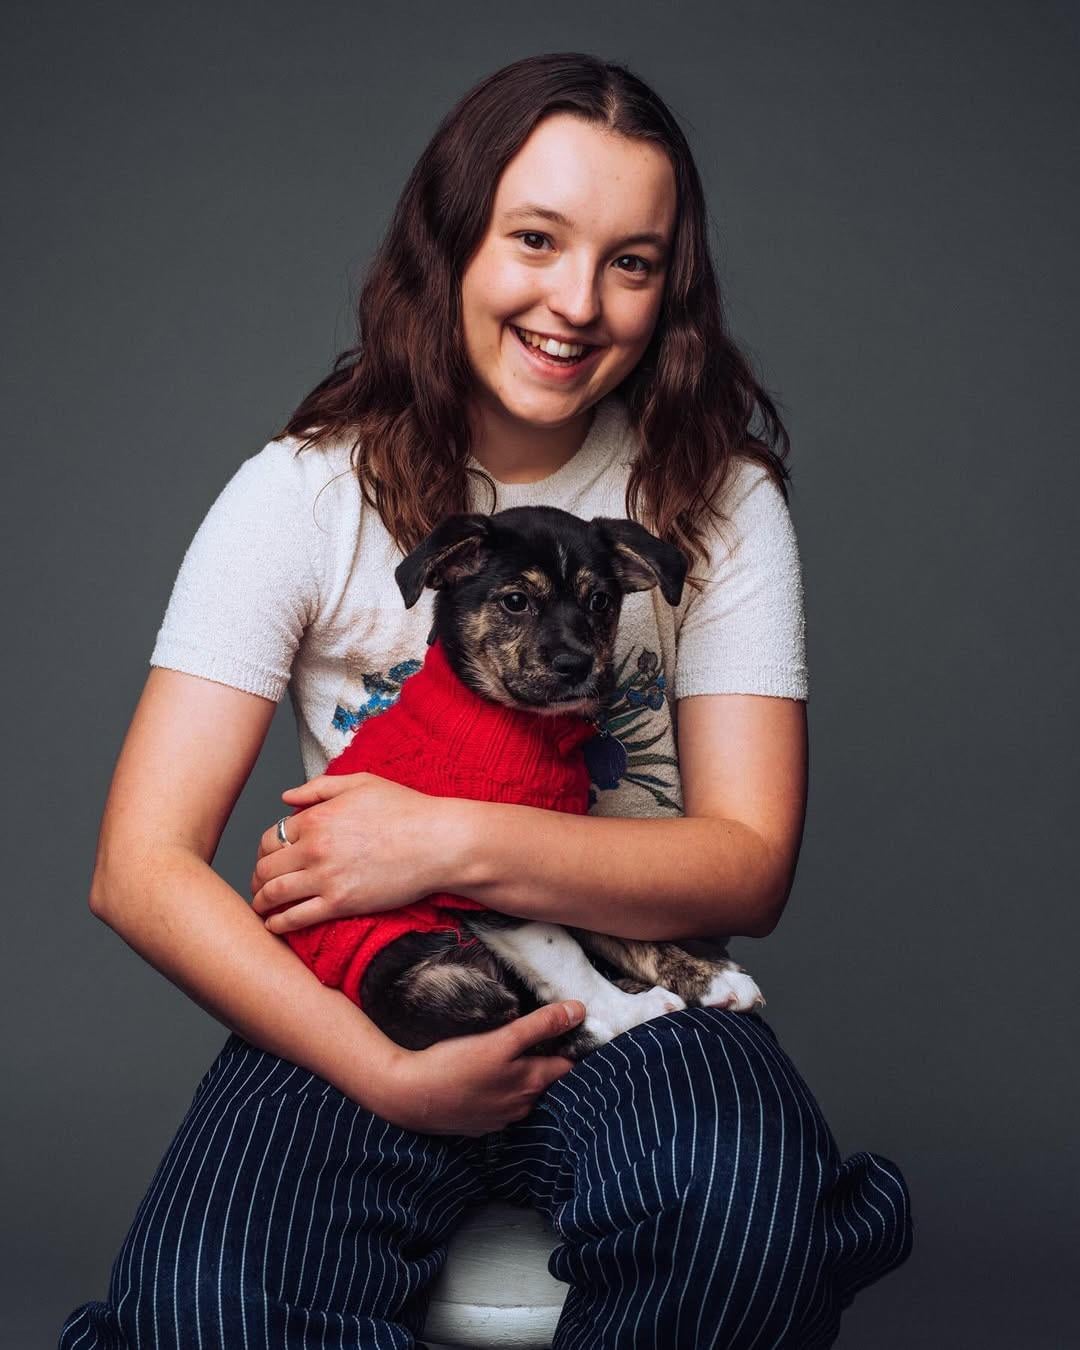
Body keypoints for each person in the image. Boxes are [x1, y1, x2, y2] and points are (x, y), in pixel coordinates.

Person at [60, 52, 912, 1350]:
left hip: (625, 993)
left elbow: (747, 866)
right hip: (376, 996)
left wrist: (443, 838)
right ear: (451, 240)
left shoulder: (718, 496)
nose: (578, 301)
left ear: (672, 288)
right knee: (201, 1305)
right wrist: (382, 1073)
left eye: (632, 261)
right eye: (536, 239)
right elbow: (139, 867)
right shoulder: (303, 493)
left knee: (750, 1223)